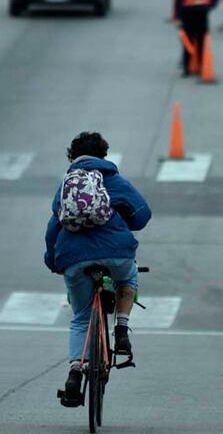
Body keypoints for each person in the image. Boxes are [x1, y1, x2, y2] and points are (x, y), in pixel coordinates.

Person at [44, 132, 152, 405]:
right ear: (104, 155)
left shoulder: (67, 186)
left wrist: (53, 260)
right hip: (117, 254)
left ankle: (75, 371)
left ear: (72, 156)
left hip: (74, 258)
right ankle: (122, 329)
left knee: (81, 318)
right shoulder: (114, 180)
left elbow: (53, 226)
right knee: (128, 276)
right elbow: (142, 216)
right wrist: (121, 221)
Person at [172, 0, 219, 76]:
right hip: (188, 17)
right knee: (187, 44)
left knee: (202, 44)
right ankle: (186, 68)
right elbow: (178, 2)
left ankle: (200, 67)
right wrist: (178, 18)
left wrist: (208, 7)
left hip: (202, 16)